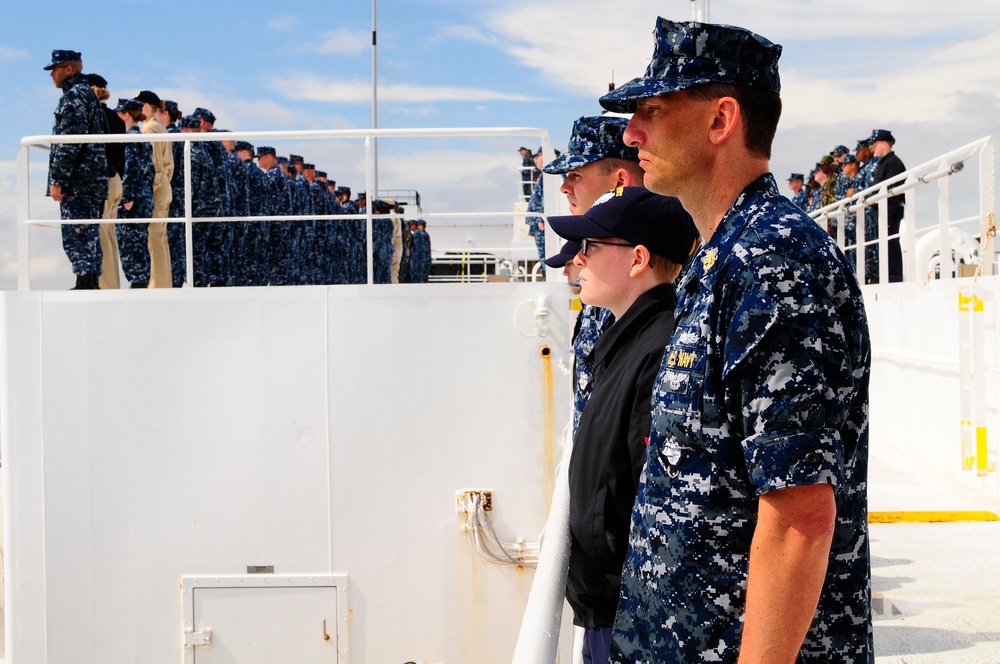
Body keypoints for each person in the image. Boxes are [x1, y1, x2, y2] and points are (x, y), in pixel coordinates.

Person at [600, 17, 872, 662]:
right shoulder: (719, 257)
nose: (631, 133)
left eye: (652, 110)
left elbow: (799, 515)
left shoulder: (772, 261)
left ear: (720, 121)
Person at [547, 187, 698, 664]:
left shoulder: (657, 350)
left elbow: (654, 497)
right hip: (610, 607)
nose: (578, 260)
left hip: (629, 616)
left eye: (590, 247)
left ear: (637, 259)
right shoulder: (628, 341)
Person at [541, 115, 647, 434]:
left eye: (575, 175)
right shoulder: (602, 271)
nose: (565, 186)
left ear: (619, 181)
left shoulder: (655, 267)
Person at [45, 50, 108, 289]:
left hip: (79, 180)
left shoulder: (73, 97)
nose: (52, 74)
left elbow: (69, 141)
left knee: (76, 233)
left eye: (55, 68)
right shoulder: (88, 95)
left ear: (68, 69)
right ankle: (90, 281)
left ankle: (84, 282)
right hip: (92, 180)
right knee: (89, 233)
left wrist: (58, 179)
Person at [87, 73, 124, 289]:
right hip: (116, 179)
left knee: (100, 234)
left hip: (101, 179)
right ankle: (111, 283)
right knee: (108, 233)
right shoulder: (116, 119)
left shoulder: (94, 116)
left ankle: (104, 285)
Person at [114, 98, 154, 288]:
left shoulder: (129, 138)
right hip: (144, 196)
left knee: (130, 243)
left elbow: (129, 169)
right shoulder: (143, 138)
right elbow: (149, 171)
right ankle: (142, 280)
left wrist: (126, 197)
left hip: (133, 200)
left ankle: (138, 282)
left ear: (126, 115)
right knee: (140, 241)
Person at [136, 90, 174, 288]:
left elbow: (154, 162)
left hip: (156, 185)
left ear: (146, 107)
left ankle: (158, 284)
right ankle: (163, 282)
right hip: (164, 183)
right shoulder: (160, 127)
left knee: (154, 238)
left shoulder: (150, 129)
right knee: (160, 236)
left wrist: (151, 187)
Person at [871, 128, 906, 282]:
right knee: (885, 246)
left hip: (889, 212)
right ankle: (888, 276)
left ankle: (893, 277)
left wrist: (887, 216)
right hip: (882, 211)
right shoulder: (884, 163)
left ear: (884, 144)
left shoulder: (893, 163)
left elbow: (893, 193)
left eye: (876, 144)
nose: (873, 148)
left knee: (891, 244)